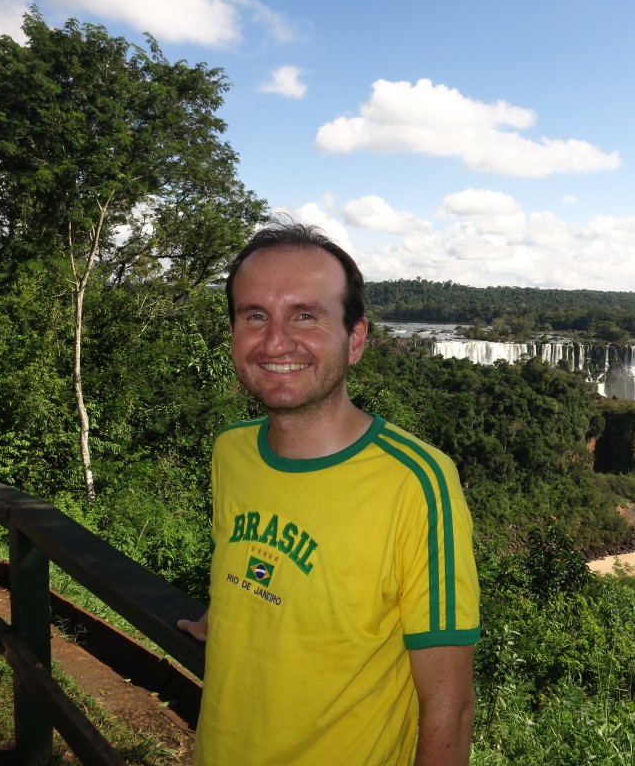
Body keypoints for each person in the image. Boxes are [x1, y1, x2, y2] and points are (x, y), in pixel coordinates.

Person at [179, 219, 481, 765]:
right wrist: (221, 618)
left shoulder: (418, 483)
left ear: (356, 337)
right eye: (254, 316)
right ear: (233, 333)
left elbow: (450, 705)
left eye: (306, 315)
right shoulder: (231, 453)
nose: (276, 341)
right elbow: (256, 570)